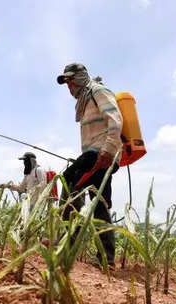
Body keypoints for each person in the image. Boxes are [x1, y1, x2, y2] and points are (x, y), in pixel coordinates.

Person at [56, 63, 123, 268]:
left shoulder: (98, 91)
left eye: (71, 80)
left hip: (101, 153)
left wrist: (108, 150)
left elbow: (116, 119)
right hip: (95, 153)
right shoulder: (85, 101)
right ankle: (107, 260)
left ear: (82, 77)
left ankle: (66, 244)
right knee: (99, 204)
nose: (69, 86)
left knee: (68, 183)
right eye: (67, 83)